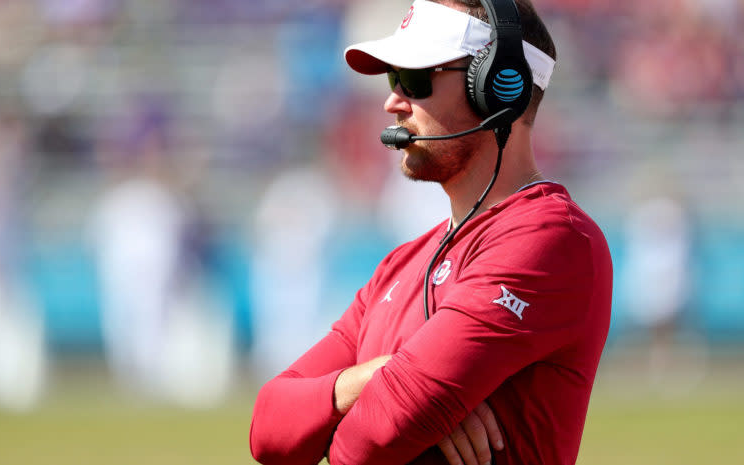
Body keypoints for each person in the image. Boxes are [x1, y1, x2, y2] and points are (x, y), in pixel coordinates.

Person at [250, 1, 612, 464]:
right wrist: (365, 382)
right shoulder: (400, 264)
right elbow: (267, 428)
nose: (392, 101)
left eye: (416, 80)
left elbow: (368, 444)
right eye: (392, 78)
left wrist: (392, 402)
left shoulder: (553, 240)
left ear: (498, 86)